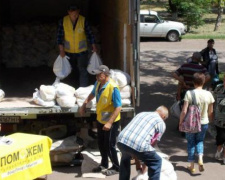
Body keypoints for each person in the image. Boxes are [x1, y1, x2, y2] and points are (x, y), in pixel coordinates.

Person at [79, 65, 122, 176]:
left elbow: (118, 107)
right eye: (97, 75)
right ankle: (104, 164)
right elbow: (93, 93)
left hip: (111, 122)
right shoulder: (98, 83)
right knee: (101, 143)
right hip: (100, 119)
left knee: (109, 145)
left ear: (106, 74)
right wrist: (84, 104)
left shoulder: (113, 87)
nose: (97, 77)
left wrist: (109, 122)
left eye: (99, 74)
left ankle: (116, 167)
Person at [117, 106, 169, 180]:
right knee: (156, 161)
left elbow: (132, 144)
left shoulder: (141, 113)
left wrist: (138, 162)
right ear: (163, 116)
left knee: (125, 158)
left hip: (121, 140)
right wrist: (145, 165)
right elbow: (151, 147)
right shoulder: (161, 123)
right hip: (138, 144)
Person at [179, 72, 214, 173]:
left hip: (191, 123)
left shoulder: (189, 93)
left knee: (191, 142)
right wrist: (210, 121)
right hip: (204, 123)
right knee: (200, 141)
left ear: (193, 82)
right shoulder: (209, 94)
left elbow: (184, 110)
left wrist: (181, 122)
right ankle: (201, 159)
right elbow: (210, 112)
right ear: (203, 82)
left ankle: (192, 166)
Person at [57, 4, 97, 88]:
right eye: (73, 14)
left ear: (79, 12)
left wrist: (93, 45)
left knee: (82, 69)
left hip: (82, 50)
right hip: (68, 50)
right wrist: (61, 50)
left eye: (76, 14)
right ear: (68, 12)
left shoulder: (83, 20)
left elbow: (90, 34)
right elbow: (59, 36)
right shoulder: (63, 21)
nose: (75, 16)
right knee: (70, 70)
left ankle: (83, 88)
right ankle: (70, 88)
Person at [213, 75, 225, 164]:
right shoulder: (219, 88)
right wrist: (211, 113)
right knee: (220, 137)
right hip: (219, 120)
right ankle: (219, 149)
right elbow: (213, 100)